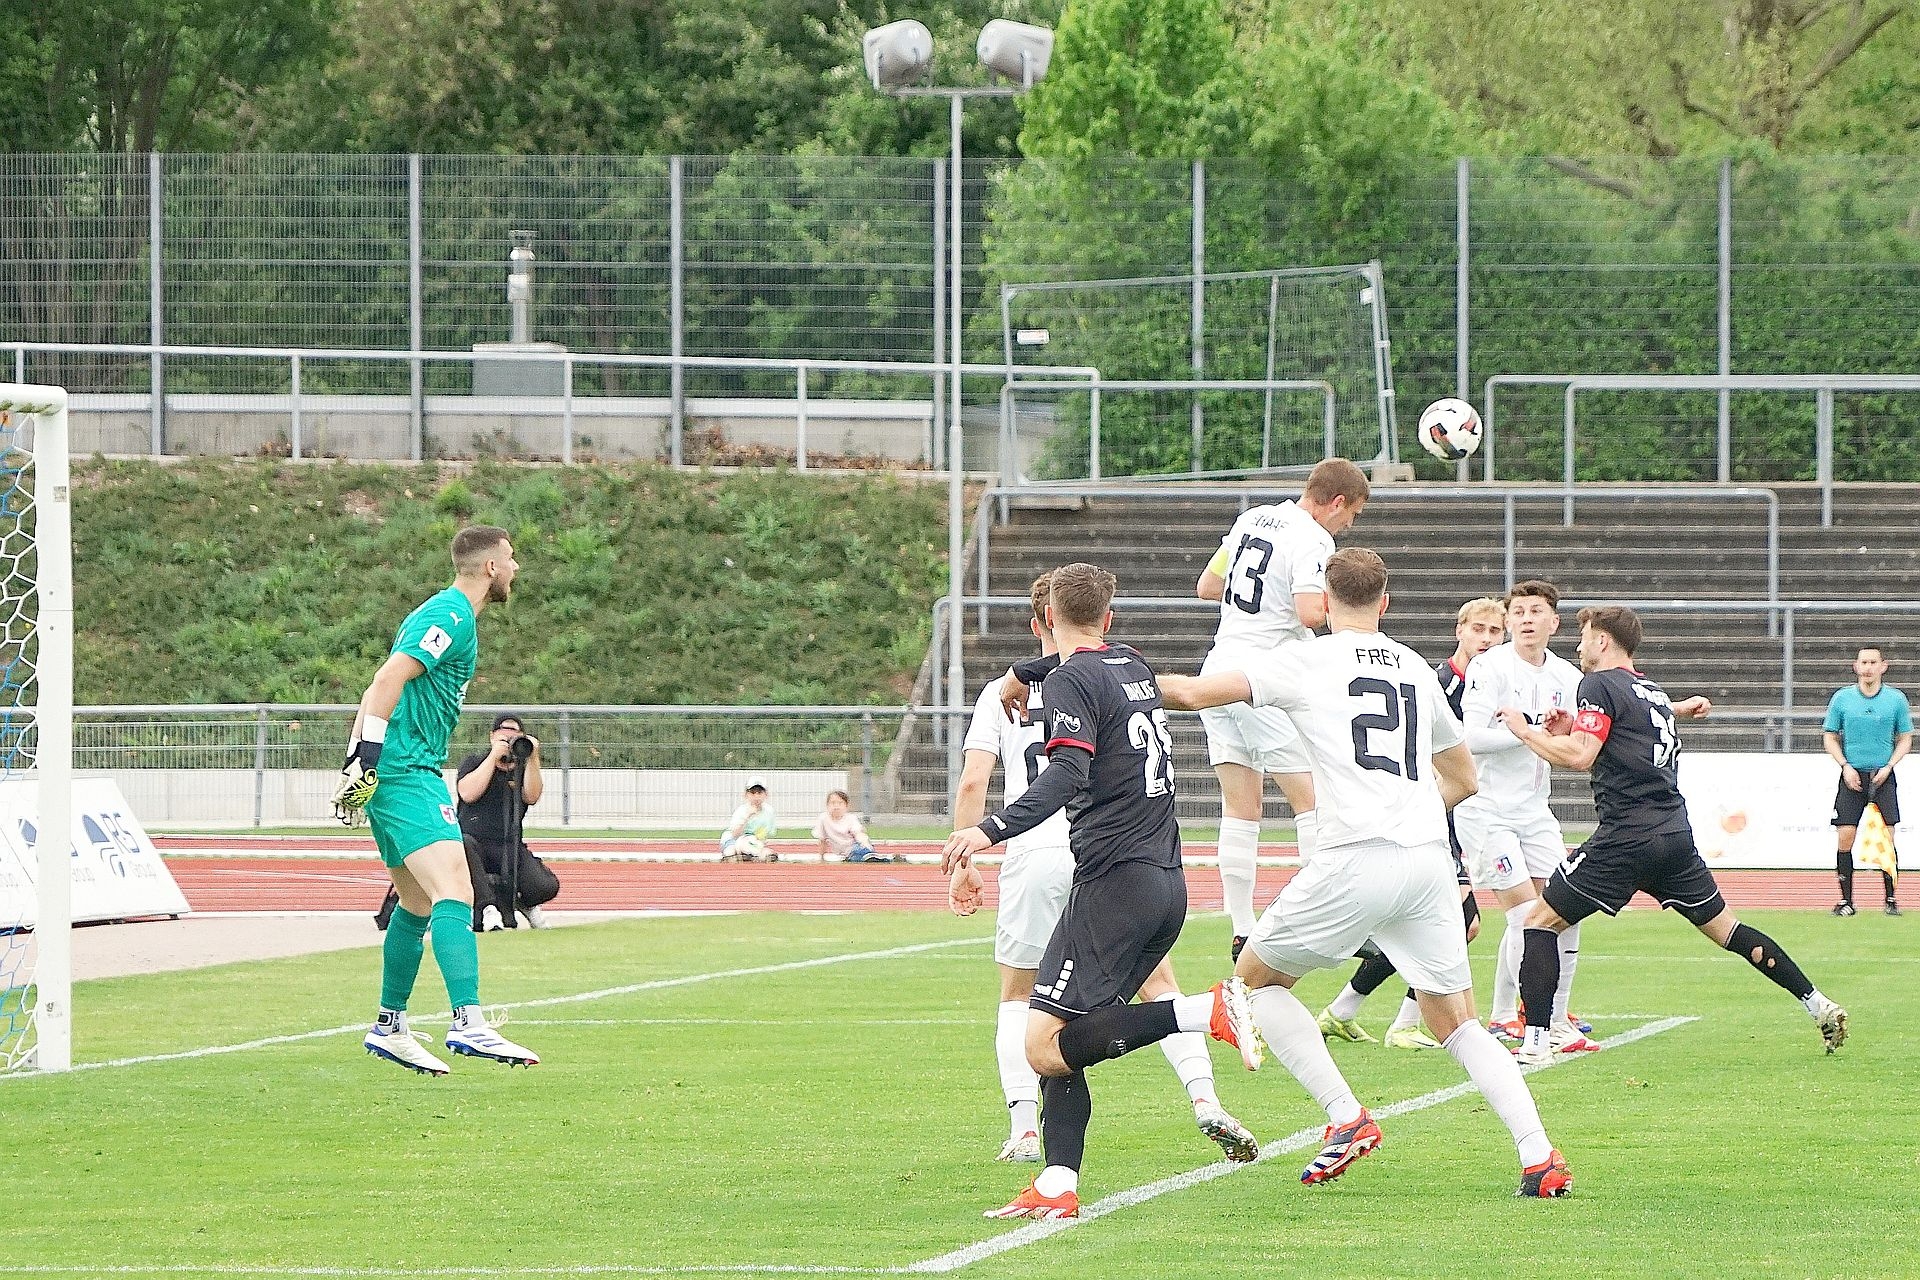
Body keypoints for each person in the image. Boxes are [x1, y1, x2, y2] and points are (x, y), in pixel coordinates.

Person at [1161, 548, 1572, 1198]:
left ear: (1323, 602)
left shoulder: (1306, 658)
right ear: (1386, 602)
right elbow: (1464, 778)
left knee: (1252, 985)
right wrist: (1411, 813)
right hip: (1426, 861)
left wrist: (1104, 675)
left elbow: (1188, 693)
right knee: (1458, 1023)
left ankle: (1345, 1115)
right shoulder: (1415, 666)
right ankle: (1539, 1156)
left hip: (1353, 856)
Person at [942, 563, 1264, 1222]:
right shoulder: (1132, 664)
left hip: (1113, 884)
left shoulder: (1069, 680)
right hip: (1163, 883)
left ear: (1046, 619)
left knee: (1040, 1044)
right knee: (1067, 1037)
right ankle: (1057, 1181)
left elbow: (1067, 771)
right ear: (1108, 620)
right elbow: (1071, 663)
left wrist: (988, 830)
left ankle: (1203, 1012)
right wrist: (1021, 673)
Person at [1503, 605, 1849, 1065]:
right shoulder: (1649, 690)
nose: (1579, 645)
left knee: (1538, 923)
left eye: (1584, 636)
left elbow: (1581, 756)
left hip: (1626, 838)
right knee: (1728, 930)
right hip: (1674, 836)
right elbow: (1623, 732)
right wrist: (1572, 726)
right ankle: (1816, 1002)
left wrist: (1524, 731)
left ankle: (1535, 1043)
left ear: (1603, 641)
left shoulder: (1598, 683)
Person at [335, 524, 540, 1076]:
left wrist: (357, 760)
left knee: (417, 903)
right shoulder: (450, 615)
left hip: (395, 770)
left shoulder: (446, 614)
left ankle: (390, 1025)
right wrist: (367, 759)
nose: (516, 568)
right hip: (407, 771)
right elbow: (387, 679)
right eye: (511, 558)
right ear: (491, 567)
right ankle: (468, 1020)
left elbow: (377, 686)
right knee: (456, 888)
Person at [1193, 458, 1370, 961]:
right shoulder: (1314, 538)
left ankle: (1241, 927)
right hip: (1264, 678)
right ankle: (1322, 921)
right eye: (1352, 514)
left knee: (1240, 806)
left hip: (1218, 669)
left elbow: (1208, 586)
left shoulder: (1253, 517)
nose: (1348, 525)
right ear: (1337, 503)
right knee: (1312, 800)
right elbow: (1309, 612)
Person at [1316, 596, 1502, 1049]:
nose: (1485, 639)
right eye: (1477, 629)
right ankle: (1401, 1022)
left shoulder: (1492, 683)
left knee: (1429, 924)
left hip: (1459, 812)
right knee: (1455, 921)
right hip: (1430, 816)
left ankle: (1344, 1010)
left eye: (1494, 632)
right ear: (1459, 631)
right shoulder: (1437, 681)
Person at [1451, 580, 1596, 1053]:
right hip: (1486, 810)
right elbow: (1472, 738)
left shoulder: (1566, 676)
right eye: (1519, 612)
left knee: (1566, 912)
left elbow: (1579, 735)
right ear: (1510, 620)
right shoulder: (1489, 667)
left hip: (1535, 811)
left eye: (1536, 611)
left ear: (1554, 622)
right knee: (1524, 917)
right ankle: (1519, 1019)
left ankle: (1550, 1019)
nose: (1526, 619)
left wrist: (1552, 733)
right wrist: (1529, 733)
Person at [1823, 646, 1909, 916]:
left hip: (1883, 776)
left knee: (1887, 837)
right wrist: (1845, 765)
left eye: (1873, 662)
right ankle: (1846, 901)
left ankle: (1891, 900)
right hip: (1852, 776)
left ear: (1883, 666)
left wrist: (1890, 765)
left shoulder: (1895, 699)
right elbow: (1830, 736)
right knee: (1845, 836)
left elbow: (1905, 738)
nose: (1868, 667)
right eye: (1864, 662)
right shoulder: (1842, 698)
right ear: (1856, 666)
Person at [455, 713, 562, 930]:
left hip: (509, 845)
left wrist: (532, 758)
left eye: (514, 734)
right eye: (503, 733)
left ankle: (525, 903)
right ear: (492, 736)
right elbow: (467, 793)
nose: (508, 738)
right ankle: (488, 908)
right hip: (474, 843)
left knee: (546, 886)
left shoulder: (522, 769)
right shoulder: (474, 762)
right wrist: (493, 757)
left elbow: (531, 796)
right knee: (464, 845)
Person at [814, 789, 890, 863]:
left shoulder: (851, 818)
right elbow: (822, 839)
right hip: (845, 853)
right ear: (827, 805)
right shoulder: (823, 819)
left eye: (840, 803)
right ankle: (875, 858)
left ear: (846, 806)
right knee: (855, 858)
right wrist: (821, 858)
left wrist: (864, 843)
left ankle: (876, 857)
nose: (836, 806)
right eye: (833, 803)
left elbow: (858, 833)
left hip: (855, 847)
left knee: (860, 853)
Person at [720, 779, 777, 862]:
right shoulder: (741, 810)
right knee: (730, 852)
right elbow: (735, 834)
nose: (756, 797)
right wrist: (747, 816)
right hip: (733, 840)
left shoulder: (769, 811)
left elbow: (765, 835)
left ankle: (749, 854)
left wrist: (757, 843)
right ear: (746, 795)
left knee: (766, 854)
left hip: (753, 841)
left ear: (766, 794)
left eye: (759, 793)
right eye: (753, 793)